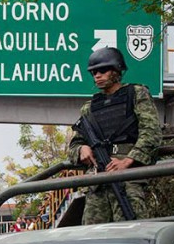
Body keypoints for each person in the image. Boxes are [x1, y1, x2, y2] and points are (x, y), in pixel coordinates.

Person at [68, 47, 162, 225]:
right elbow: (75, 144)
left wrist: (127, 161)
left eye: (102, 70)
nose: (97, 75)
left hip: (127, 179)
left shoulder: (136, 93)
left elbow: (151, 132)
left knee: (131, 232)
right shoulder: (90, 107)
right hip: (98, 183)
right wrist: (82, 149)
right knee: (92, 239)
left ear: (116, 70)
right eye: (94, 72)